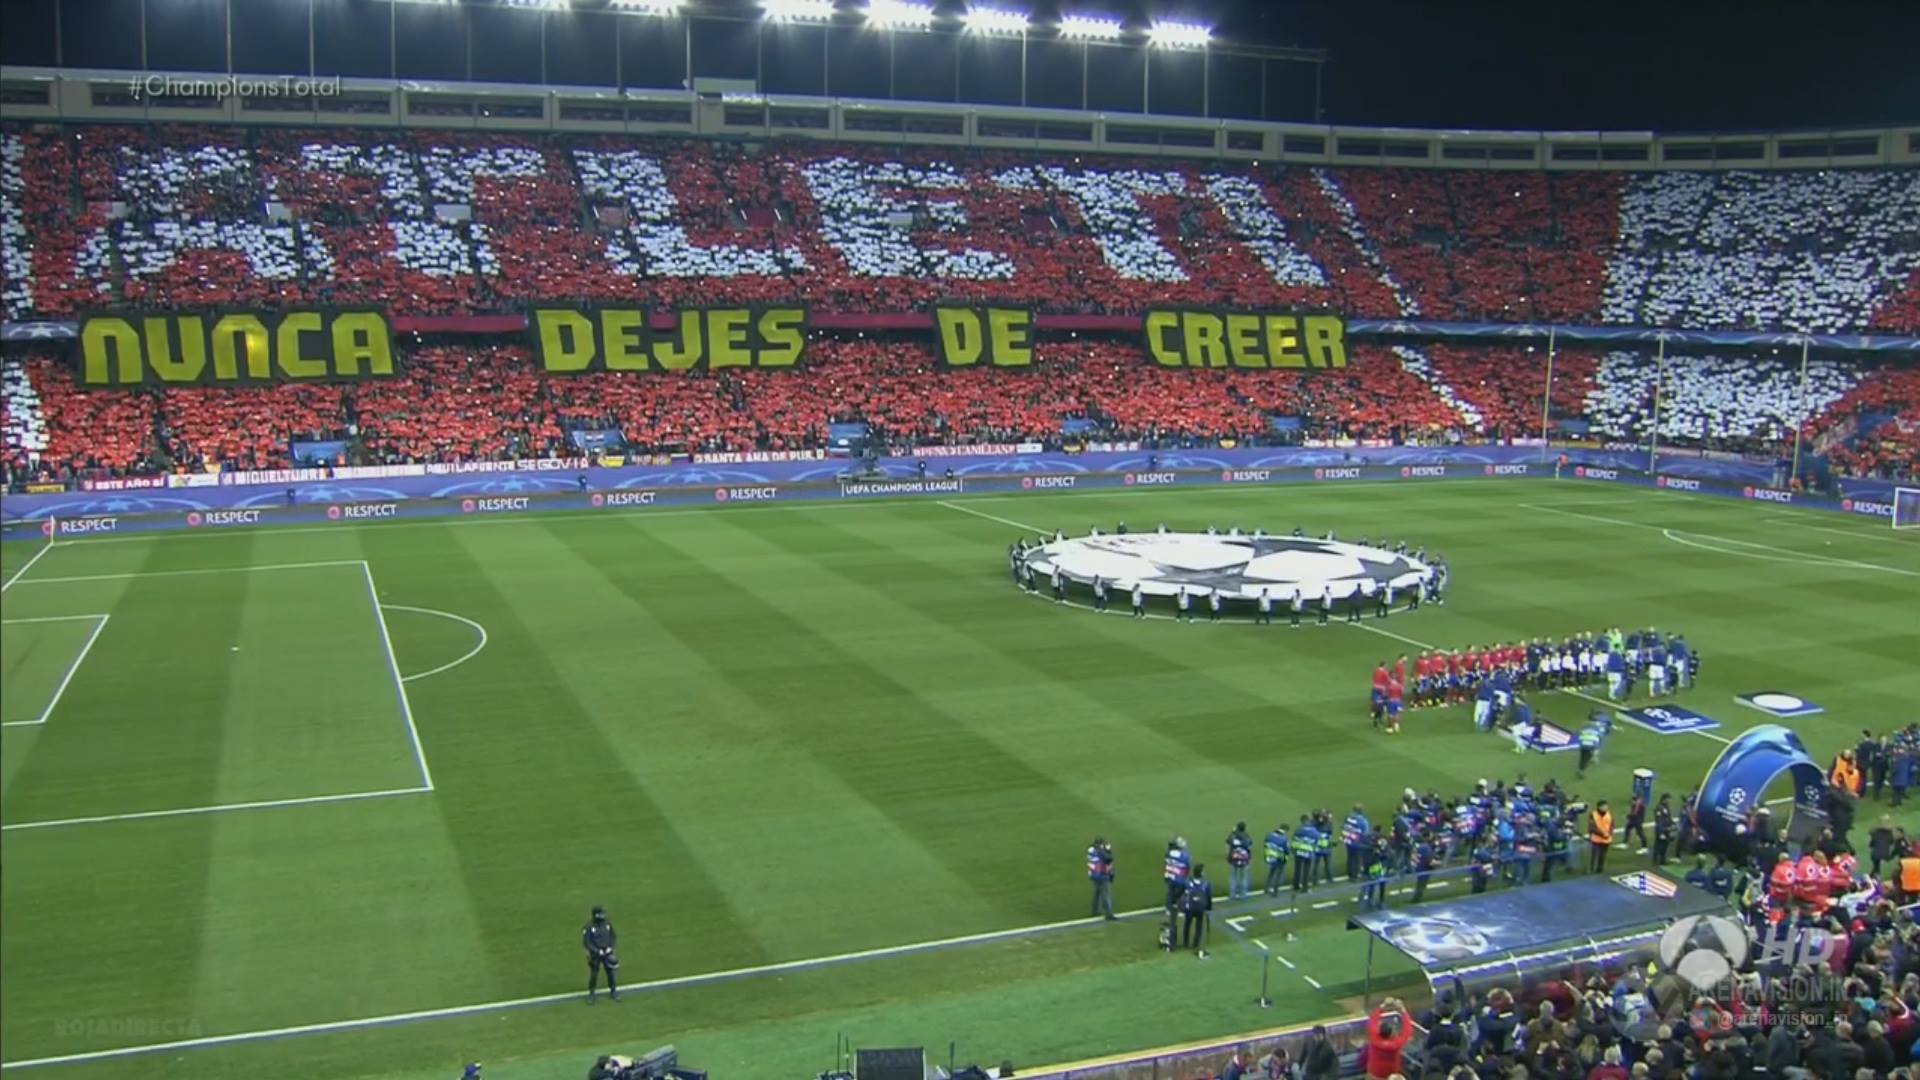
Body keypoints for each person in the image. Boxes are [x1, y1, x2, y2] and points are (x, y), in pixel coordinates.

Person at [1363, 998, 1413, 1079]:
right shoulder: (1397, 1043)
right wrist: (1402, 1009)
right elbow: (1408, 1029)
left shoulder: (1374, 1038)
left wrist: (1383, 1005)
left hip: (1373, 1075)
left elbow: (1372, 1020)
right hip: (1390, 1076)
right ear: (1391, 1033)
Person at [583, 905, 619, 1003]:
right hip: (595, 955)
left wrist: (610, 948)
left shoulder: (607, 924)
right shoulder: (589, 926)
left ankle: (613, 991)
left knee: (610, 973)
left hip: (607, 953)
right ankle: (592, 994)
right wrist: (597, 951)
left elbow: (613, 937)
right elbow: (587, 942)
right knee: (594, 975)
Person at [1179, 864, 1212, 957]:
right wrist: (1208, 908)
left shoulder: (1187, 883)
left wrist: (1181, 908)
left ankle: (1186, 942)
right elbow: (1208, 897)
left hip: (1190, 908)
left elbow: (1182, 895)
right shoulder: (1206, 884)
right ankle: (1195, 943)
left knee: (1187, 924)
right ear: (1201, 873)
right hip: (1200, 909)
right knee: (1199, 926)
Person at [1087, 837, 1115, 919]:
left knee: (1097, 893)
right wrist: (1108, 850)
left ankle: (1094, 911)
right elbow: (1109, 859)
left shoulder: (1091, 850)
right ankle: (1109, 914)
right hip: (1102, 875)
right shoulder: (1100, 851)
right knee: (1105, 895)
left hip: (1094, 875)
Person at [1163, 837, 1191, 914]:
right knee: (1181, 894)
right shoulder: (1184, 855)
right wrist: (1186, 877)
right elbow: (1187, 867)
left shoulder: (1168, 853)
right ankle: (1181, 910)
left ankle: (1168, 908)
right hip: (1179, 878)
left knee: (1170, 892)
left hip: (1170, 875)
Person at [1226, 822, 1254, 900]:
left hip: (1234, 859)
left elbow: (1228, 845)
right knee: (1244, 877)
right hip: (1244, 859)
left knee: (1233, 877)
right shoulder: (1247, 836)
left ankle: (1232, 894)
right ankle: (1243, 894)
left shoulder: (1232, 836)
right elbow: (1250, 847)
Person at [1262, 822, 1289, 897]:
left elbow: (1266, 844)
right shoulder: (1284, 839)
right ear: (1285, 830)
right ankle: (1275, 891)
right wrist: (1285, 859)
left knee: (1271, 872)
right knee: (1278, 874)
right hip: (1279, 858)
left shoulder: (1270, 835)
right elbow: (1286, 850)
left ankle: (1266, 887)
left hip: (1270, 856)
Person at [1587, 800, 1613, 873]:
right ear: (1599, 807)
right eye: (1604, 806)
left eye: (1606, 806)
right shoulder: (1593, 815)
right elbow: (1591, 828)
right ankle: (1591, 869)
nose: (1606, 807)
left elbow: (1612, 825)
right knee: (1593, 856)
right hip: (1596, 839)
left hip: (1606, 839)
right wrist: (1602, 834)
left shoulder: (1608, 814)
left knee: (1602, 856)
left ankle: (1599, 869)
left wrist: (1609, 834)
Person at [1652, 794, 1675, 865]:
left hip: (1666, 829)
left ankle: (1662, 860)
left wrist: (1673, 824)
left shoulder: (1666, 807)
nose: (1669, 801)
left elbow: (1669, 817)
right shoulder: (1659, 808)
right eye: (1668, 799)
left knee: (1664, 845)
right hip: (1661, 829)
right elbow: (1659, 821)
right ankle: (1656, 860)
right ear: (1664, 799)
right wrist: (1661, 833)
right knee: (1659, 845)